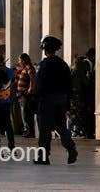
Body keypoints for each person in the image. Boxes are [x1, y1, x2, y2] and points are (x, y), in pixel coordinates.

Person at [34, 35, 78, 165]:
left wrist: (36, 101)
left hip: (46, 101)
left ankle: (43, 156)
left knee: (44, 130)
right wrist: (68, 103)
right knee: (61, 127)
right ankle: (71, 148)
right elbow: (69, 85)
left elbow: (39, 85)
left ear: (45, 49)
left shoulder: (44, 64)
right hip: (61, 100)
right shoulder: (63, 64)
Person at [15, 53, 36, 138]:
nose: (19, 62)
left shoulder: (29, 67)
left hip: (26, 94)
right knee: (24, 113)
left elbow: (32, 79)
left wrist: (30, 89)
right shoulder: (24, 68)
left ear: (24, 60)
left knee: (26, 113)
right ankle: (27, 130)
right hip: (22, 94)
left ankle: (30, 131)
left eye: (20, 60)